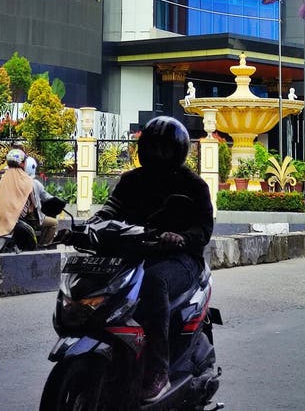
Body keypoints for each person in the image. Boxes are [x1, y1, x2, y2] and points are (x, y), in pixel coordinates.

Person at [90, 116, 213, 404]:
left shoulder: (192, 185)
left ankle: (158, 369)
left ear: (178, 151)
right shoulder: (131, 180)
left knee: (154, 281)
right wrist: (87, 226)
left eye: (164, 148)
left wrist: (181, 238)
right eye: (152, 147)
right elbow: (109, 211)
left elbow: (203, 229)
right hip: (137, 254)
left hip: (181, 260)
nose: (157, 154)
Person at [23, 155, 58, 247]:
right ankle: (43, 245)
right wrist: (57, 200)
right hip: (32, 219)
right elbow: (46, 197)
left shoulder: (17, 181)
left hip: (20, 217)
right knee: (54, 223)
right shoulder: (35, 183)